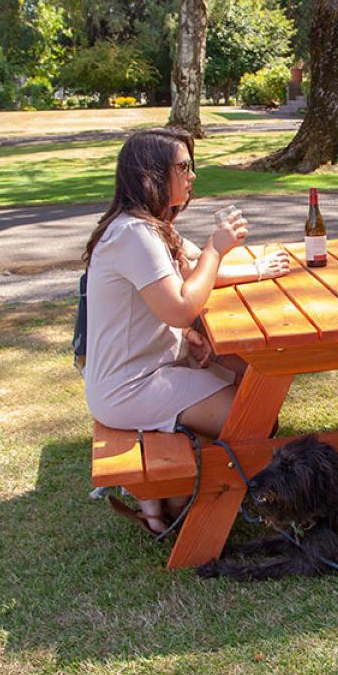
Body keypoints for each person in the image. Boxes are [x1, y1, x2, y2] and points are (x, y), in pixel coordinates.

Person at [82, 126, 291, 532]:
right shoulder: (133, 234)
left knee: (250, 382)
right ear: (152, 174)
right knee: (255, 418)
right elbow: (181, 307)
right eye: (183, 167)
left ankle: (174, 490)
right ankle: (183, 498)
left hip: (147, 373)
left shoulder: (150, 226)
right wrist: (216, 247)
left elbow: (198, 272)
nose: (193, 175)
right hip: (131, 387)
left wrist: (256, 269)